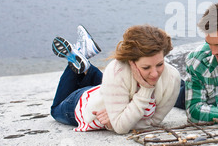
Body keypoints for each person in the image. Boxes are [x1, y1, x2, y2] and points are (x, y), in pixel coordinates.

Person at [50, 24, 180, 134]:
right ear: (131, 63)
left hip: (106, 91)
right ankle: (80, 55)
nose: (154, 74)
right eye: (146, 67)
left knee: (114, 81)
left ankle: (83, 56)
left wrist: (121, 118)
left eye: (160, 64)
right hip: (82, 102)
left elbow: (153, 122)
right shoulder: (117, 70)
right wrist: (146, 89)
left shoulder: (172, 78)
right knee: (55, 110)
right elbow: (120, 128)